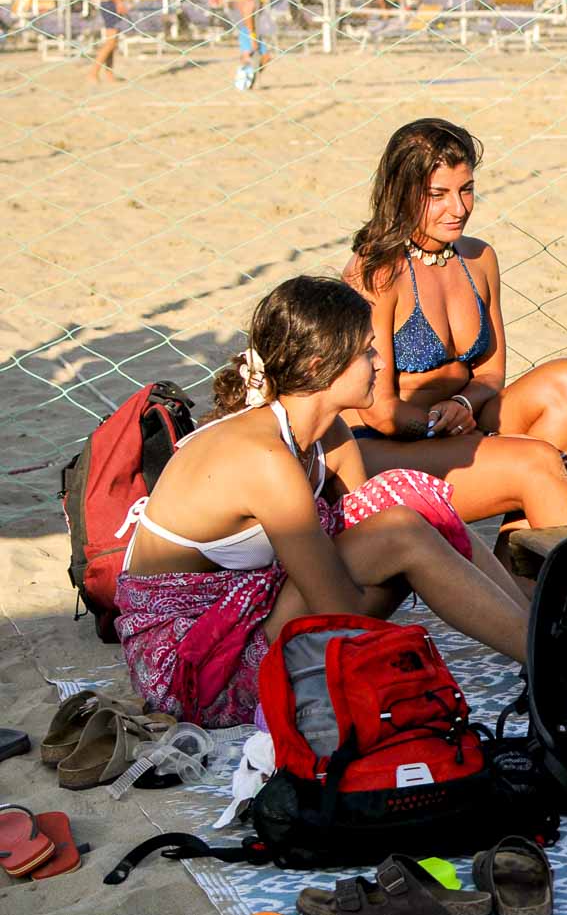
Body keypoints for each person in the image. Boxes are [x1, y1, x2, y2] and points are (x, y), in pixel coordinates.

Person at [114, 277, 529, 729]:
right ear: (321, 366)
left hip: (254, 612)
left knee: (413, 509)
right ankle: (551, 662)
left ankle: (537, 639)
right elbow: (340, 606)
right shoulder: (264, 458)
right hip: (194, 665)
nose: (380, 362)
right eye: (368, 351)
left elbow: (368, 531)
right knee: (405, 534)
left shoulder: (327, 435)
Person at [342, 118, 567, 534]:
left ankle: (520, 560)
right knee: (536, 459)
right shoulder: (377, 272)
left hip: (461, 423)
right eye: (437, 195)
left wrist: (463, 405)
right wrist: (441, 428)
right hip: (383, 447)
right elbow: (378, 411)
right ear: (400, 193)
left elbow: (491, 374)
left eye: (466, 190)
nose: (459, 208)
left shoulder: (478, 259)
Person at [234, 0, 273, 91]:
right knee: (247, 56)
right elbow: (248, 22)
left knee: (266, 57)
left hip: (255, 32)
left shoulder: (256, 2)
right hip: (248, 32)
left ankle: (251, 76)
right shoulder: (249, 3)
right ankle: (243, 79)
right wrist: (252, 37)